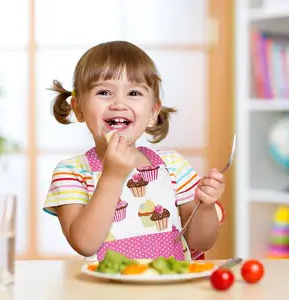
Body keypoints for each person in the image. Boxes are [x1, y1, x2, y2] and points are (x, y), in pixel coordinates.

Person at [43, 41, 225, 261]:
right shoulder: (71, 172)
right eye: (104, 92)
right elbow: (84, 244)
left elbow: (201, 242)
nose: (119, 103)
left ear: (152, 112)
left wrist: (205, 206)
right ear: (78, 108)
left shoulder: (174, 165)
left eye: (134, 93)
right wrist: (111, 176)